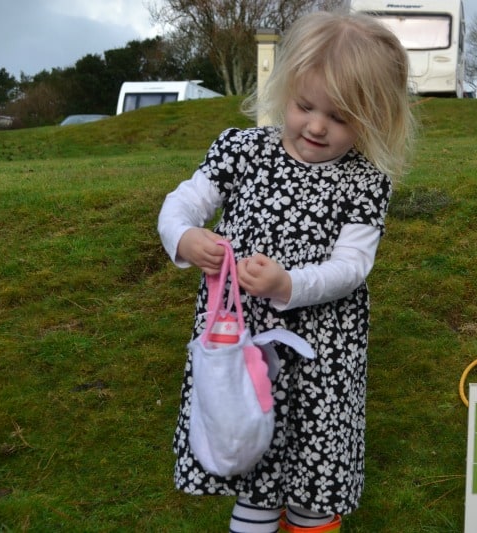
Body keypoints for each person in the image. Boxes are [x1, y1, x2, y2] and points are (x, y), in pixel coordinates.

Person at [157, 10, 415, 533]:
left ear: (374, 118)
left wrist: (289, 284)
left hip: (325, 356)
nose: (317, 126)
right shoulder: (243, 151)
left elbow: (352, 265)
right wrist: (184, 236)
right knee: (255, 481)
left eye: (340, 117)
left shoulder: (365, 181)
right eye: (305, 106)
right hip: (245, 347)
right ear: (287, 88)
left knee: (314, 492)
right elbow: (179, 206)